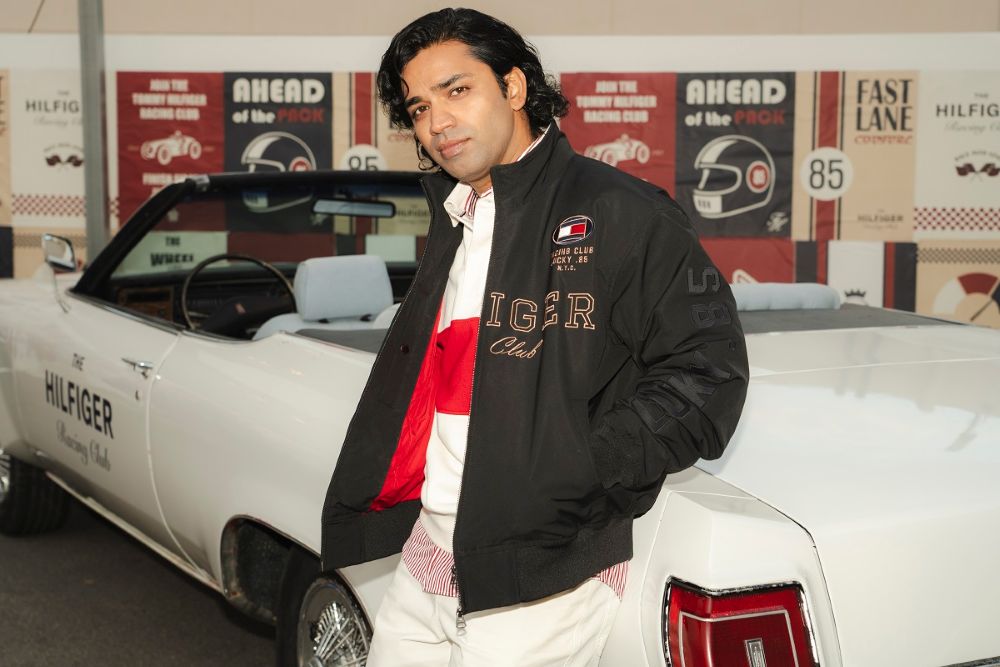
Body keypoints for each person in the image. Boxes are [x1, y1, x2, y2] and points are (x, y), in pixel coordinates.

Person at [321, 8, 749, 666]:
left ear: (514, 87)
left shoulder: (620, 210)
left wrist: (579, 468)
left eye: (457, 90)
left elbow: (709, 372)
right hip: (431, 551)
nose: (437, 122)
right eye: (420, 106)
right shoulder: (456, 217)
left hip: (546, 573)